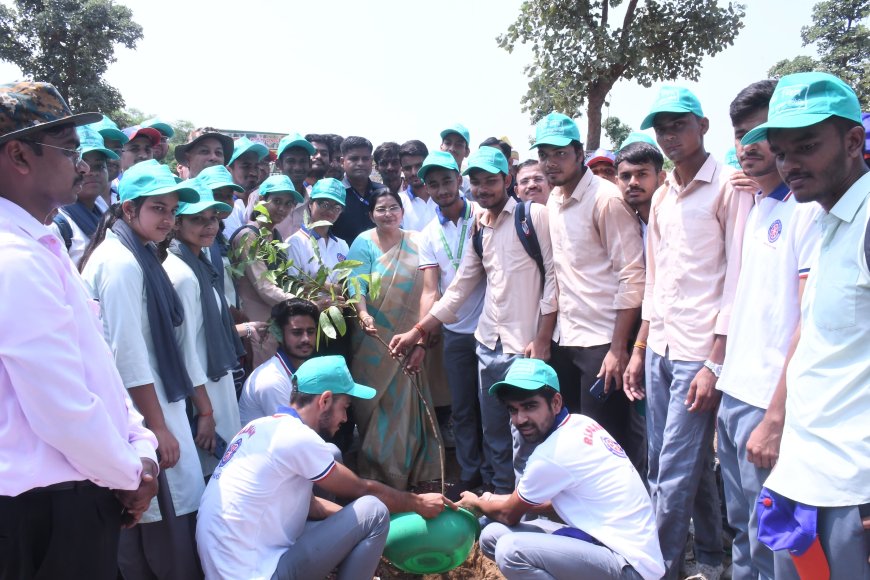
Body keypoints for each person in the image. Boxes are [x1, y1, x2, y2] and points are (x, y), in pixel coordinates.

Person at [0, 80, 159, 580]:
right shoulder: (12, 258)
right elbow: (62, 410)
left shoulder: (41, 242)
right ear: (19, 156)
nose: (84, 165)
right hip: (43, 515)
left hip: (76, 494)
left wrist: (140, 445)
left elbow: (99, 370)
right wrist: (130, 472)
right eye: (69, 151)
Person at [741, 72, 870, 579]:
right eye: (781, 151)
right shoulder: (825, 221)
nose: (790, 164)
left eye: (807, 146)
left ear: (854, 141)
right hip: (802, 478)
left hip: (852, 491)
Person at [626, 86, 754, 580]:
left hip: (700, 351)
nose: (669, 135)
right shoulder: (661, 195)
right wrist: (641, 349)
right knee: (677, 460)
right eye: (661, 128)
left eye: (678, 124)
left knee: (672, 470)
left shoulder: (729, 187)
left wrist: (713, 361)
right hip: (661, 345)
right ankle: (713, 559)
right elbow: (655, 279)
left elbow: (736, 278)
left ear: (702, 125)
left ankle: (659, 568)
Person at [391, 146, 558, 495]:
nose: (483, 189)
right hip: (487, 343)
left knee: (526, 430)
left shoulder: (533, 217)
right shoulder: (479, 229)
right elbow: (459, 288)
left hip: (522, 345)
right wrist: (419, 330)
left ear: (507, 181)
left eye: (491, 182)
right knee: (494, 429)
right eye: (477, 183)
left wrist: (543, 337)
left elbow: (554, 280)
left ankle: (528, 500)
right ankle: (499, 494)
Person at [197, 356, 452, 580]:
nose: (344, 418)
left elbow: (313, 506)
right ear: (325, 400)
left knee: (333, 457)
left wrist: (354, 531)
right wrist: (417, 504)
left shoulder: (260, 428)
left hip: (235, 565)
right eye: (345, 408)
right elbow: (363, 490)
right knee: (374, 511)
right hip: (258, 573)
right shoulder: (297, 437)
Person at [713, 79, 824, 580]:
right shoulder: (756, 206)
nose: (750, 145)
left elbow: (807, 322)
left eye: (762, 132)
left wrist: (775, 416)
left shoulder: (807, 212)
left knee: (774, 539)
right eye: (741, 134)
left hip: (768, 403)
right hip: (735, 393)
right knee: (741, 525)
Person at [79, 160, 207, 579]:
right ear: (129, 209)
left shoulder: (139, 255)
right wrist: (157, 429)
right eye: (158, 208)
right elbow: (126, 355)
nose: (168, 219)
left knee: (150, 530)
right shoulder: (120, 263)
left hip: (146, 410)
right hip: (140, 418)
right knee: (159, 534)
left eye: (172, 210)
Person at [458, 358, 665, 580]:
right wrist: (490, 498)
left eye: (530, 406)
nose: (520, 419)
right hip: (607, 545)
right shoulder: (579, 423)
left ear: (555, 403)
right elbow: (544, 501)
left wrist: (476, 503)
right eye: (513, 410)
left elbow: (509, 514)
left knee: (511, 551)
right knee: (492, 535)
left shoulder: (552, 454)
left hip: (629, 566)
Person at [533, 112, 647, 474]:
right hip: (566, 338)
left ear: (579, 152)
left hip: (602, 342)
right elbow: (555, 273)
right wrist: (543, 337)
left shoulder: (606, 199)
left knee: (607, 446)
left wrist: (618, 349)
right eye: (544, 154)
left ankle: (617, 526)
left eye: (560, 153)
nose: (551, 162)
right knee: (571, 440)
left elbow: (632, 276)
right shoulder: (553, 200)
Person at [346, 189, 442, 489]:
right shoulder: (363, 242)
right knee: (377, 403)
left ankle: (408, 472)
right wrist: (362, 314)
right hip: (373, 338)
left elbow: (430, 286)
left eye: (393, 208)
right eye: (380, 209)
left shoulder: (417, 240)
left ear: (402, 212)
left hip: (409, 335)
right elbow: (355, 281)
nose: (387, 213)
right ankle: (377, 472)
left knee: (405, 403)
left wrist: (422, 335)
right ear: (371, 214)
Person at [411, 151, 487, 500]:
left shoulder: (484, 216)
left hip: (493, 327)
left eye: (446, 181)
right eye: (433, 184)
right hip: (456, 330)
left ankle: (499, 476)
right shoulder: (427, 234)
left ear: (460, 180)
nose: (441, 190)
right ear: (425, 188)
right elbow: (431, 289)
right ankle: (471, 473)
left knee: (495, 406)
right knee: (463, 407)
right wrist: (422, 336)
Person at [164, 180, 246, 478]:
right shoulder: (180, 273)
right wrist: (205, 413)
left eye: (212, 218)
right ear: (176, 223)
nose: (208, 226)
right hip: (202, 395)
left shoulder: (199, 264)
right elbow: (185, 351)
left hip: (213, 388)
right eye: (197, 219)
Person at [231, 174, 304, 367]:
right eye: (277, 201)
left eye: (288, 204)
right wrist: (304, 303)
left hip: (274, 321)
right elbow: (264, 286)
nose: (282, 208)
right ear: (261, 201)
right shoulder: (249, 236)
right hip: (256, 324)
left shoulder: (275, 235)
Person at [239, 298, 318, 425]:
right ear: (279, 334)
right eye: (297, 332)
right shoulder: (272, 380)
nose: (306, 339)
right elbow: (291, 435)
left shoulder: (299, 370)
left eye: (311, 332)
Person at [49, 124, 117, 266]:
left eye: (99, 166)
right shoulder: (57, 224)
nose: (91, 172)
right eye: (81, 162)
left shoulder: (108, 215)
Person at [286, 177, 350, 284]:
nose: (330, 211)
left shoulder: (342, 245)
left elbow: (347, 283)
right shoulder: (295, 242)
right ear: (310, 204)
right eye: (325, 204)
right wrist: (330, 289)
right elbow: (293, 284)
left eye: (337, 207)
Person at [332, 136, 387, 244]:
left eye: (365, 159)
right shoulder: (333, 193)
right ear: (342, 161)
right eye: (354, 159)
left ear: (371, 161)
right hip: (343, 259)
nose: (360, 163)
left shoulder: (383, 193)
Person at [614, 141, 666, 247]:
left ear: (661, 178)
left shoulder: (674, 219)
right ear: (617, 182)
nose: (633, 182)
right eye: (625, 176)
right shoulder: (628, 227)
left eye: (642, 174)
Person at [398, 140, 435, 231]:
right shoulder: (398, 202)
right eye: (408, 168)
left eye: (419, 166)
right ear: (402, 170)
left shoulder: (447, 196)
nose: (414, 172)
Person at [439, 123, 472, 198]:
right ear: (441, 147)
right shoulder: (427, 185)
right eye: (448, 143)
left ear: (467, 152)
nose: (452, 149)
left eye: (458, 144)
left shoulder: (471, 189)